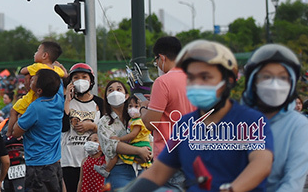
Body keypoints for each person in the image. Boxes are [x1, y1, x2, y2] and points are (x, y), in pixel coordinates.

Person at [124, 40, 274, 192]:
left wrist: (232, 189)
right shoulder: (184, 125)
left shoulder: (250, 121)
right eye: (192, 78)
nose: (197, 84)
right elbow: (157, 173)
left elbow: (261, 163)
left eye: (206, 77)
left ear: (227, 81)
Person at [242, 44, 308, 192]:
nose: (275, 84)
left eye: (282, 77)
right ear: (253, 82)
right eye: (266, 76)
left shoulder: (298, 125)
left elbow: (293, 181)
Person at [141, 37, 195, 161]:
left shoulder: (162, 82)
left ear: (162, 57)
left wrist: (143, 108)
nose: (157, 65)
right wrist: (156, 101)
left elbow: (150, 123)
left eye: (156, 61)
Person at [14, 69, 65, 192]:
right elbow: (58, 80)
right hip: (54, 163)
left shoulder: (35, 108)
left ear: (39, 90)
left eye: (34, 79)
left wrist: (20, 116)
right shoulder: (59, 99)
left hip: (37, 165)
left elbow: (16, 132)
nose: (31, 79)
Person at [96, 80, 151, 189]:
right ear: (106, 97)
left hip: (141, 168)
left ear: (126, 96)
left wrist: (149, 154)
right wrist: (140, 151)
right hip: (119, 170)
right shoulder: (104, 122)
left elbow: (150, 138)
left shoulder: (136, 118)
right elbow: (114, 145)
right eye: (110, 90)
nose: (115, 92)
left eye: (119, 89)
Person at [7, 41, 66, 137]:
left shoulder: (38, 66)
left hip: (31, 98)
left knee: (14, 111)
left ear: (44, 55)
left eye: (37, 50)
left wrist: (28, 72)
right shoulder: (56, 70)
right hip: (45, 102)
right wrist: (61, 67)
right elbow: (65, 74)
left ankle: (9, 133)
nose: (35, 53)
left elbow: (23, 71)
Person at [60, 63, 103, 192]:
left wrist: (93, 126)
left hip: (93, 160)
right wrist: (67, 100)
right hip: (69, 160)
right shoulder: (64, 101)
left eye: (84, 77)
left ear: (91, 81)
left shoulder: (99, 103)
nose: (80, 80)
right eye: (76, 77)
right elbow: (63, 127)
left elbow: (108, 130)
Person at [100, 95, 151, 176]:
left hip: (140, 144)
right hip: (138, 146)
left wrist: (120, 139)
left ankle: (106, 170)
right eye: (130, 106)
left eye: (136, 106)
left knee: (119, 154)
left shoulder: (138, 121)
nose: (132, 109)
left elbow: (133, 134)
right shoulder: (132, 120)